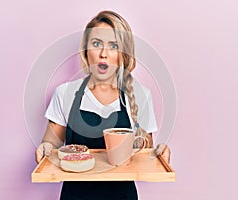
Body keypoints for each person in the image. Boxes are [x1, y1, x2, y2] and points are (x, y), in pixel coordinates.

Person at [35, 10, 171, 200]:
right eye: (96, 44)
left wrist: (158, 153)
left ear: (123, 53)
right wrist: (45, 149)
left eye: (113, 46)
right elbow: (51, 145)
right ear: (85, 50)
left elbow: (144, 152)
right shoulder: (65, 93)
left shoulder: (140, 95)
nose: (103, 54)